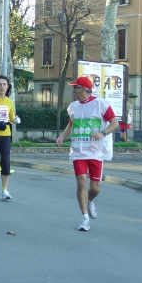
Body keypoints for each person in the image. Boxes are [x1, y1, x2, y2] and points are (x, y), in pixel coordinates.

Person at [56, 76, 119, 231]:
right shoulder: (73, 107)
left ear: (83, 89)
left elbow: (114, 123)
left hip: (96, 152)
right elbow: (71, 124)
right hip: (78, 151)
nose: (73, 90)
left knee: (95, 188)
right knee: (81, 182)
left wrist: (102, 133)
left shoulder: (101, 105)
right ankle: (85, 218)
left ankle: (89, 200)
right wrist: (63, 136)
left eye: (75, 87)